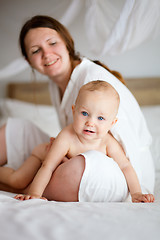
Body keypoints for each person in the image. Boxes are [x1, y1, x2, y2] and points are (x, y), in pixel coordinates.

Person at [0, 15, 155, 201]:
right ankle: (23, 185)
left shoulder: (94, 83)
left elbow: (122, 153)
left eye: (52, 43)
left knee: (81, 166)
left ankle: (22, 186)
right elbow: (73, 137)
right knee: (17, 129)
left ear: (67, 43)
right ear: (28, 60)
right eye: (35, 50)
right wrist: (60, 151)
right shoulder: (55, 84)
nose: (46, 54)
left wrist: (136, 193)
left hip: (119, 175)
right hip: (73, 154)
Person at [0, 81, 154, 202]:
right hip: (42, 157)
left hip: (55, 171)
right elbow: (48, 166)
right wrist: (35, 195)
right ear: (74, 111)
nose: (90, 122)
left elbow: (126, 166)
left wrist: (136, 193)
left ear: (112, 123)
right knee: (18, 181)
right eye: (85, 113)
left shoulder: (108, 142)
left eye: (100, 118)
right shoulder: (67, 136)